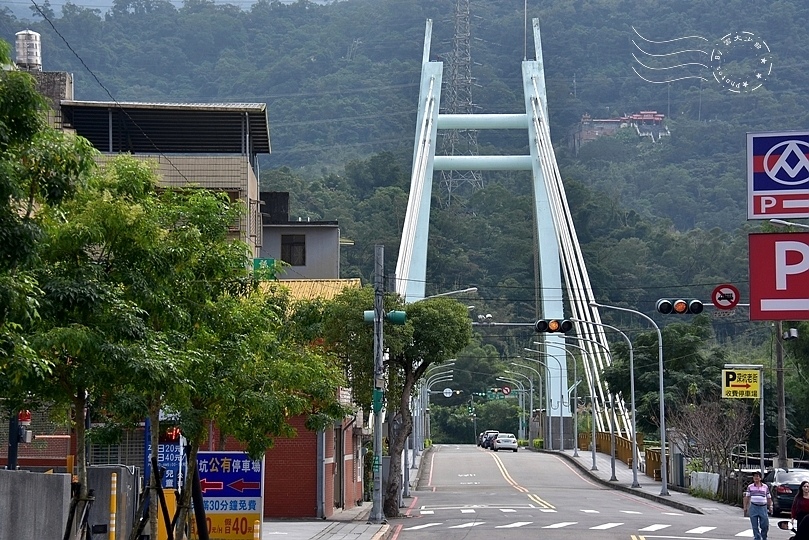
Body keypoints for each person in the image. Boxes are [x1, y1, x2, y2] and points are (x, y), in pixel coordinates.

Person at [744, 471, 773, 540]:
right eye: (754, 476)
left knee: (765, 525)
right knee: (754, 525)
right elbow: (747, 497)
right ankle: (757, 538)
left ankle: (764, 537)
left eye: (757, 476)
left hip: (763, 507)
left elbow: (769, 497)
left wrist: (770, 506)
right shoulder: (750, 487)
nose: (755, 478)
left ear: (760, 478)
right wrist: (745, 507)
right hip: (754, 507)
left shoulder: (765, 487)